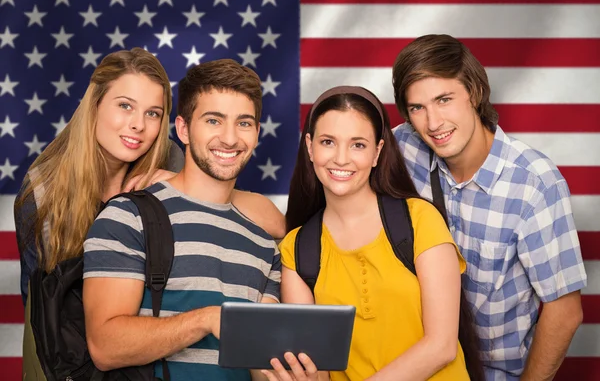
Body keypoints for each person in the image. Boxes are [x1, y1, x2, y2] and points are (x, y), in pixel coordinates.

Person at [14, 48, 285, 306]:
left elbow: (276, 225)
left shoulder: (172, 158)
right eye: (125, 106)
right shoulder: (43, 190)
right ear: (94, 105)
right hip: (72, 333)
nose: (138, 125)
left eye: (152, 113)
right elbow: (45, 303)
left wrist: (180, 184)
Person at [391, 34, 587, 380]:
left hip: (491, 373)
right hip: (413, 365)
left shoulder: (533, 183)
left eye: (444, 99)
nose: (433, 123)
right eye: (417, 108)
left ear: (475, 93)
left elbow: (564, 311)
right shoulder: (403, 147)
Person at [82, 59, 281, 381]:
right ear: (184, 129)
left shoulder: (263, 243)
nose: (230, 139)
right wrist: (207, 319)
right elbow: (105, 347)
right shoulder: (128, 217)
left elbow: (258, 359)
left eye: (244, 123)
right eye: (214, 120)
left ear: (257, 133)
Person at [266, 86, 481, 381]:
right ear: (310, 147)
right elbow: (320, 369)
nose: (341, 159)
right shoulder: (296, 251)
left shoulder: (420, 220)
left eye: (358, 145)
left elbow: (441, 346)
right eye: (328, 142)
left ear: (377, 152)